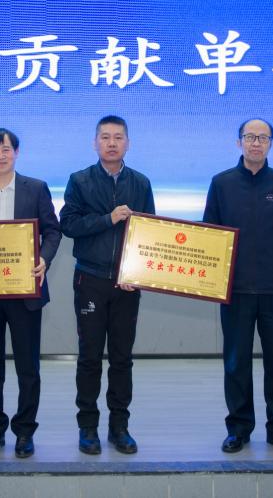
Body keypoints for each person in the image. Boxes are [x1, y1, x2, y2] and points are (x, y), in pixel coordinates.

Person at [203, 118, 273, 457]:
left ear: (270, 144)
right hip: (234, 291)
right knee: (236, 363)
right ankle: (238, 429)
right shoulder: (221, 183)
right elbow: (208, 236)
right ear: (239, 142)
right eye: (249, 137)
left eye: (262, 138)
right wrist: (207, 280)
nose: (255, 143)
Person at [0, 128, 62, 459]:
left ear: (17, 152)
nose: (0, 155)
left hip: (24, 292)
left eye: (6, 149)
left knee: (27, 368)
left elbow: (53, 231)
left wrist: (44, 259)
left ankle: (24, 432)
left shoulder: (36, 188)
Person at [60, 115, 155, 455]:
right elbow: (68, 224)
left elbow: (150, 233)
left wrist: (137, 274)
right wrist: (108, 218)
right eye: (105, 137)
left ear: (128, 143)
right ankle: (88, 427)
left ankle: (119, 427)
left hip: (127, 284)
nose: (111, 143)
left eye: (118, 137)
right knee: (89, 357)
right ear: (95, 143)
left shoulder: (141, 183)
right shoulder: (80, 180)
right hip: (91, 279)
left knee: (122, 358)